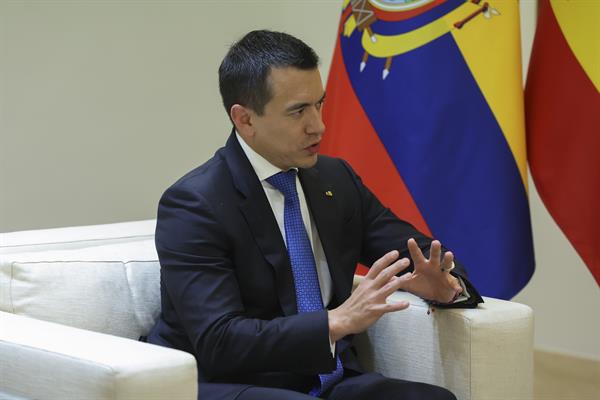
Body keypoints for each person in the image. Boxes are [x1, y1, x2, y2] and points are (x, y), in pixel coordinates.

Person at [147, 30, 482, 400]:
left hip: (328, 379)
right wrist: (335, 322)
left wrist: (446, 285)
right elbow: (220, 340)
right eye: (298, 111)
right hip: (233, 383)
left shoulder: (336, 180)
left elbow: (417, 253)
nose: (318, 126)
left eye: (319, 105)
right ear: (245, 119)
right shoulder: (195, 204)